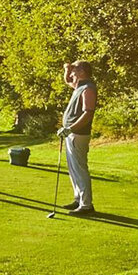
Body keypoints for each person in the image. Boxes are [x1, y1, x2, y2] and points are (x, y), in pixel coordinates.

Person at [57, 61, 97, 215]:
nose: (72, 72)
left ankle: (86, 205)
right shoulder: (79, 85)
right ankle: (78, 200)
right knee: (73, 169)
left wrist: (70, 128)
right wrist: (66, 69)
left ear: (82, 71)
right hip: (71, 133)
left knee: (79, 169)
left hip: (78, 134)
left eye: (75, 68)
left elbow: (88, 113)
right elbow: (67, 80)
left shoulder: (88, 89)